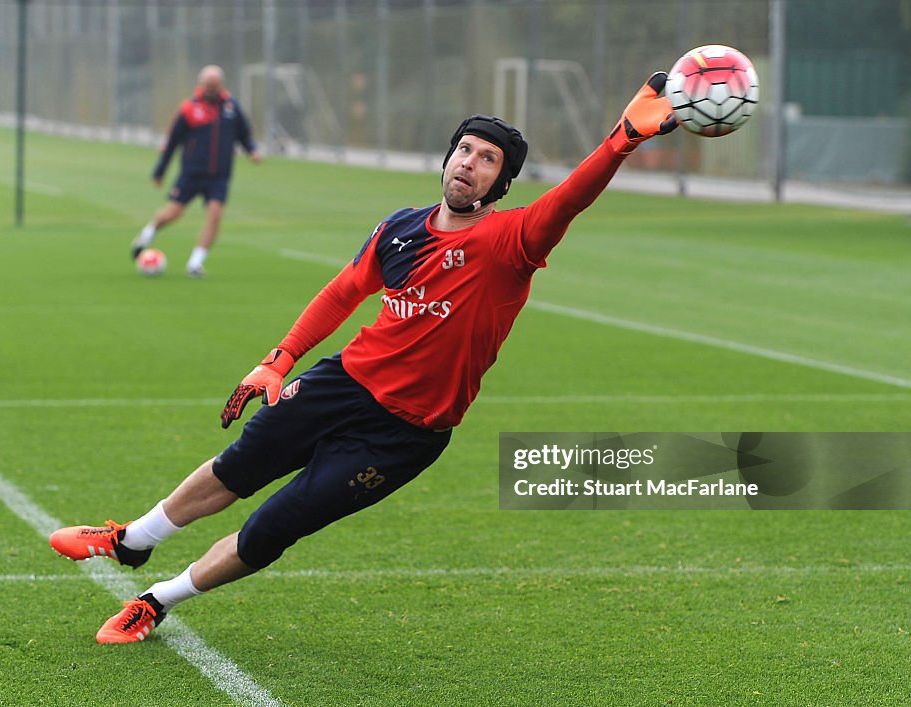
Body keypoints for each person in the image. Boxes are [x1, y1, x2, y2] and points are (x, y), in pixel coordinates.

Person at [50, 72, 677, 643]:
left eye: (489, 161)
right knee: (237, 466)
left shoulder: (513, 240)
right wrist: (280, 357)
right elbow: (344, 292)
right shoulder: (400, 228)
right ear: (447, 158)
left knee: (275, 525)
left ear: (501, 184)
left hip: (405, 434)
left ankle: (158, 600)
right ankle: (132, 539)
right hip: (342, 382)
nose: (471, 165)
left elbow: (570, 197)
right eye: (465, 150)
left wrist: (621, 140)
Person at [131, 65, 262, 278]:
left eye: (215, 85)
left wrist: (252, 151)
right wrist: (160, 171)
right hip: (191, 174)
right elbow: (172, 141)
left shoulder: (231, 108)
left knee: (214, 215)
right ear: (202, 85)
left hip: (219, 176)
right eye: (208, 85)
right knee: (172, 214)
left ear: (221, 85)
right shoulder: (190, 109)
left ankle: (195, 263)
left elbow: (244, 134)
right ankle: (147, 235)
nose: (212, 89)